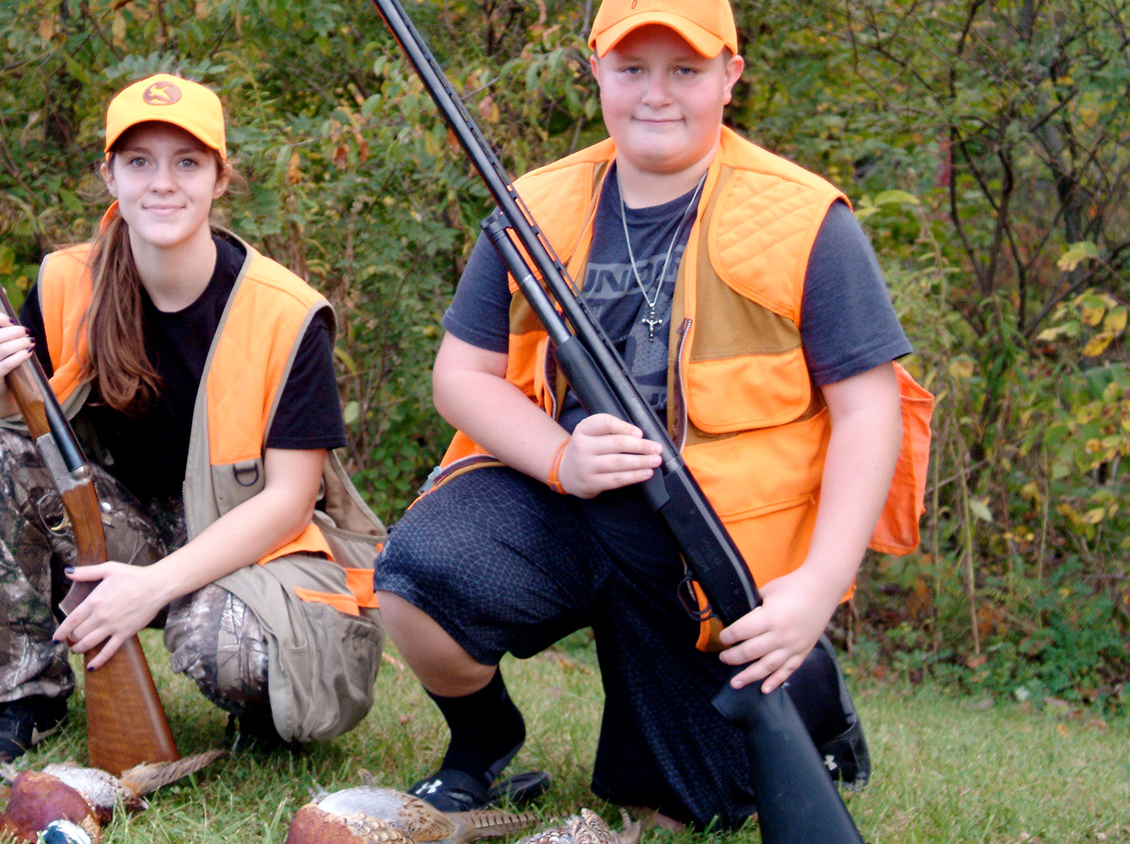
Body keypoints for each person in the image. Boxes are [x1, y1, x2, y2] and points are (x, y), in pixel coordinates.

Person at [373, 0, 932, 829]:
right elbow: (461, 375)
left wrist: (815, 589)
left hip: (701, 564)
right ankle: (482, 744)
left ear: (730, 78)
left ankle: (805, 684)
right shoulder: (534, 208)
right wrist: (562, 458)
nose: (656, 94)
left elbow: (870, 412)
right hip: (565, 504)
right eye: (632, 69)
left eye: (686, 70)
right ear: (595, 70)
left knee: (668, 809)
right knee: (418, 580)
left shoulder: (805, 220)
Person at [0, 74, 386, 763]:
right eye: (139, 162)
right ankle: (21, 698)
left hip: (241, 542)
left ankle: (259, 712)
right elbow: (12, 434)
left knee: (231, 649)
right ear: (110, 175)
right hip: (119, 521)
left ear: (220, 178)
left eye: (187, 162)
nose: (163, 183)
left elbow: (289, 501)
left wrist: (152, 588)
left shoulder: (285, 312)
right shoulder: (67, 280)